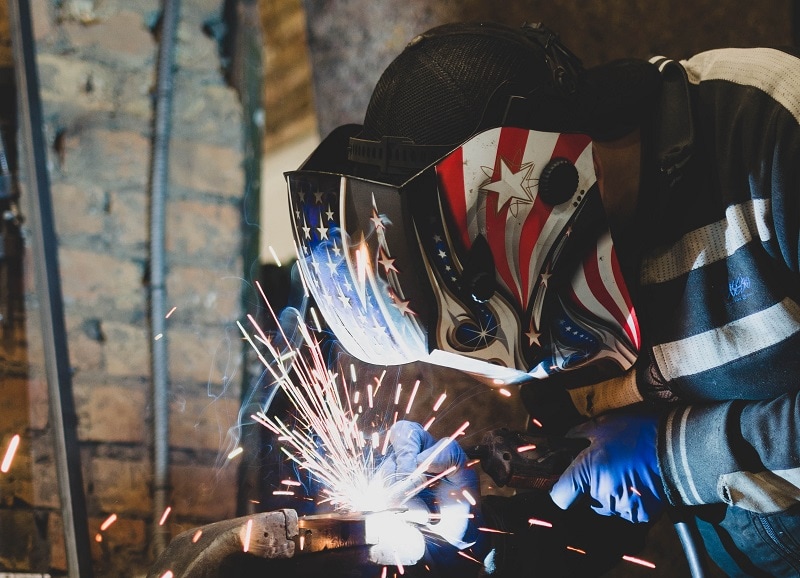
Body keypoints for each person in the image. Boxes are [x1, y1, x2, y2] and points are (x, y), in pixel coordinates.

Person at [285, 20, 800, 577]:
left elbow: (664, 460)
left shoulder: (770, 134)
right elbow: (588, 492)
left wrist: (679, 456)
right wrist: (480, 502)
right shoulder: (561, 302)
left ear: (545, 188)